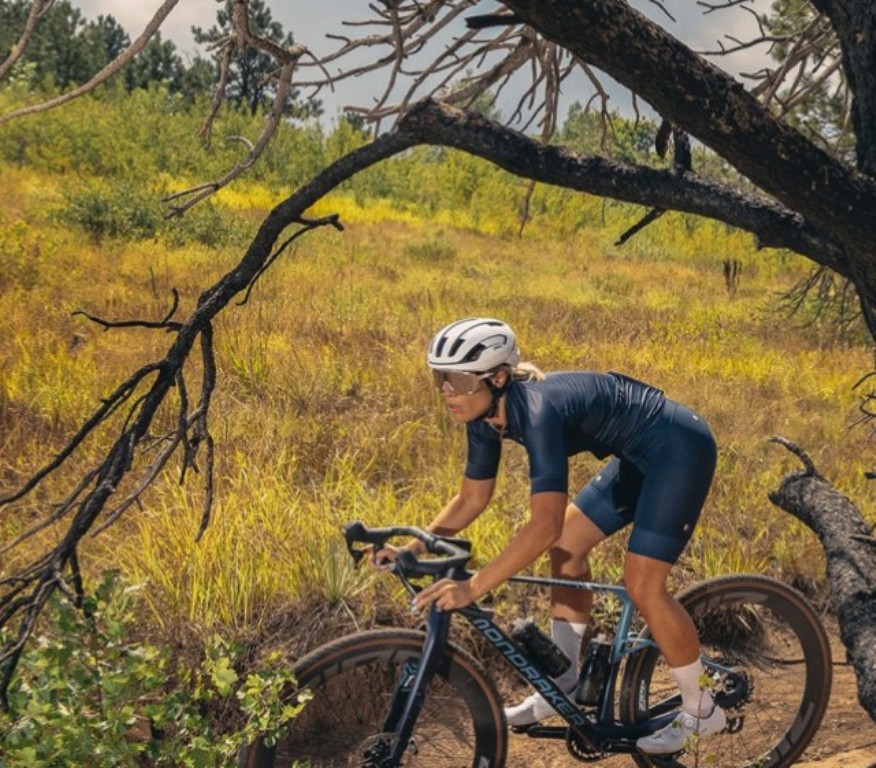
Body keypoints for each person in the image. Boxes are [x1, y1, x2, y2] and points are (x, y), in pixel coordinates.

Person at [376, 317, 725, 755]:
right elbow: (471, 499)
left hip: (679, 449)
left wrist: (474, 586)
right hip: (638, 455)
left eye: (459, 380)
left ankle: (702, 708)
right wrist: (412, 546)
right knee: (569, 547)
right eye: (440, 377)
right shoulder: (483, 416)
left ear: (498, 378)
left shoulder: (538, 409)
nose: (447, 390)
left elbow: (545, 523)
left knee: (643, 585)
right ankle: (564, 682)